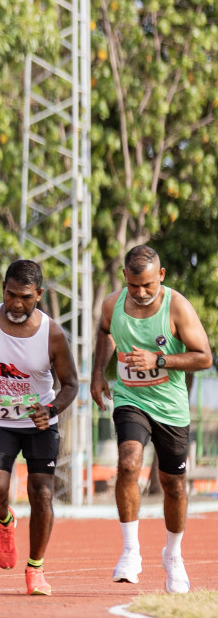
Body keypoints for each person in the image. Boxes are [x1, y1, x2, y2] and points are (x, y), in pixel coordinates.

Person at [0, 260, 79, 595]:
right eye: (11, 295)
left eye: (25, 297)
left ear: (39, 294)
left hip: (39, 423)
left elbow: (70, 384)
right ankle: (5, 520)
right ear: (3, 289)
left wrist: (51, 409)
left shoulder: (52, 334)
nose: (17, 304)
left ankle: (35, 568)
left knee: (42, 493)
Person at [91, 245, 213, 592]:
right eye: (134, 286)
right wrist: (98, 373)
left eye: (148, 285)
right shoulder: (112, 305)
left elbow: (204, 357)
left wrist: (159, 361)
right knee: (129, 463)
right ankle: (130, 551)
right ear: (125, 278)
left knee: (174, 484)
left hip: (170, 407)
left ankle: (173, 555)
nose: (142, 293)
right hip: (131, 399)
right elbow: (104, 332)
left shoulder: (177, 306)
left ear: (160, 275)